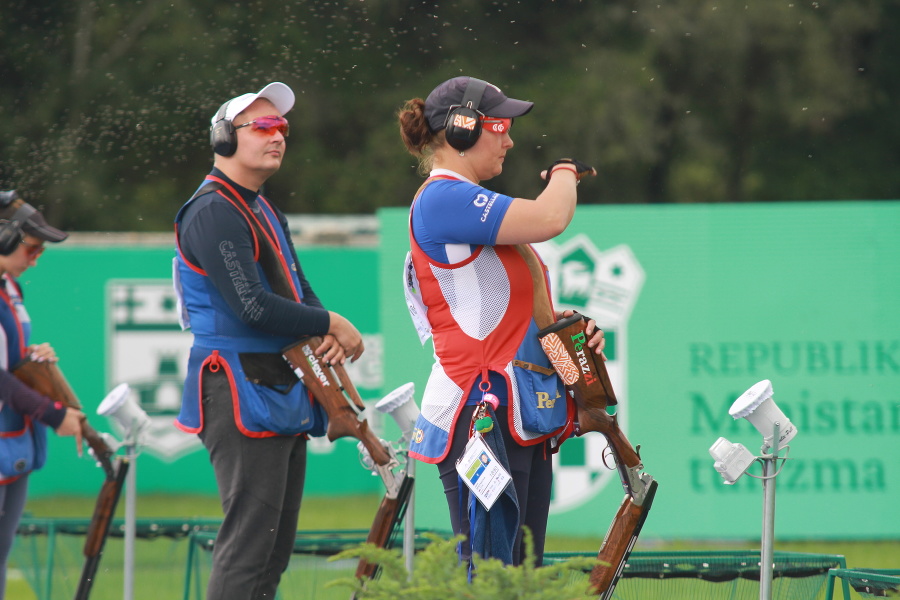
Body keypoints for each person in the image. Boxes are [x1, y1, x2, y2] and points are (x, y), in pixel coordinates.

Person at [398, 76, 606, 567]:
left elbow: (504, 312)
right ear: (462, 130)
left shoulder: (453, 199)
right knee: (490, 576)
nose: (509, 140)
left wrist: (561, 325)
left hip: (511, 411)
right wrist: (565, 171)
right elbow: (551, 217)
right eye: (500, 126)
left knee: (519, 576)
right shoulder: (441, 198)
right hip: (481, 411)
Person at [172, 82, 364, 600]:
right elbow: (252, 306)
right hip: (238, 388)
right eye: (261, 126)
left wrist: (321, 324)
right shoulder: (215, 211)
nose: (277, 134)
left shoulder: (260, 207)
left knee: (272, 553)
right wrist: (329, 322)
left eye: (281, 126)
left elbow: (296, 288)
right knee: (249, 550)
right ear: (223, 138)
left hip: (272, 386)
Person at [0, 190, 83, 598]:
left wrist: (29, 356)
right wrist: (54, 413)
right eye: (32, 247)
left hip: (11, 439)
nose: (37, 256)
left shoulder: (10, 290)